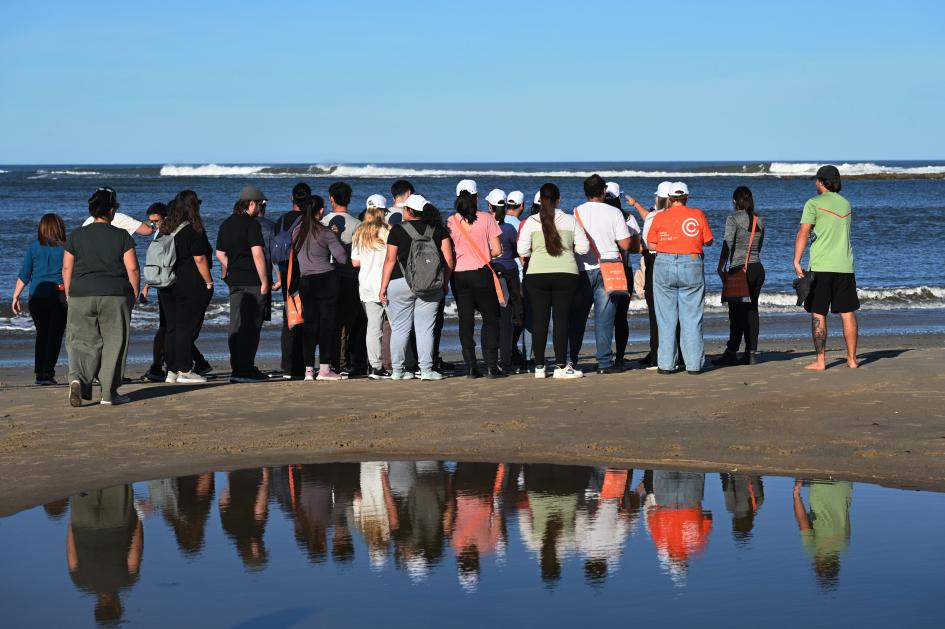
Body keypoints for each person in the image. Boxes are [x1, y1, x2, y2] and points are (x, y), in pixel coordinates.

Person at [63, 187, 139, 406]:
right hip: (114, 294)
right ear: (112, 210)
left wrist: (70, 293)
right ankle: (108, 393)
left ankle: (78, 378)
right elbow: (132, 268)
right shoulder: (122, 235)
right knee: (114, 342)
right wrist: (133, 293)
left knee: (80, 341)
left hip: (80, 294)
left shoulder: (77, 234)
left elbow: (67, 267)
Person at [517, 183, 590, 379]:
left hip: (536, 275)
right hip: (566, 274)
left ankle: (539, 367)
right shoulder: (570, 220)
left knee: (540, 320)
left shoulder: (531, 222)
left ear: (540, 200)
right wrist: (567, 247)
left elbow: (522, 251)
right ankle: (560, 366)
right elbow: (584, 248)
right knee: (561, 321)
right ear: (559, 200)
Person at [380, 194, 454, 381]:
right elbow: (449, 260)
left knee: (400, 328)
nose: (402, 211)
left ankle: (397, 370)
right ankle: (426, 370)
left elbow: (390, 260)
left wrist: (383, 287)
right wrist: (445, 283)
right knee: (425, 329)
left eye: (404, 209)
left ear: (410, 211)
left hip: (400, 282)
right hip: (431, 284)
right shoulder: (439, 229)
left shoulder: (397, 230)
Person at [793, 165, 859, 370]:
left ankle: (821, 361)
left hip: (821, 266)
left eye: (817, 180)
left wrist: (796, 260)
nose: (815, 183)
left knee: (818, 312)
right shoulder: (846, 204)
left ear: (821, 182)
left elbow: (803, 233)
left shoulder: (813, 203)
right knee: (847, 312)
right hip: (845, 266)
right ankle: (852, 360)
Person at [646, 182, 714, 374]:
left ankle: (666, 364)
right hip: (691, 262)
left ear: (669, 198)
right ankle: (693, 365)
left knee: (665, 318)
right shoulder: (697, 214)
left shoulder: (660, 217)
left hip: (664, 262)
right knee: (691, 317)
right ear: (686, 198)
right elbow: (708, 241)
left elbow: (651, 243)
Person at [568, 174, 632, 374]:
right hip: (610, 267)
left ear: (585, 192)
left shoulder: (576, 212)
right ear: (604, 190)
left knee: (578, 317)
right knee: (605, 318)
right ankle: (604, 362)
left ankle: (572, 360)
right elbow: (625, 244)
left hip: (582, 268)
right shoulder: (614, 212)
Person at [215, 185, 270, 383]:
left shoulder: (226, 223)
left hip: (234, 280)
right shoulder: (251, 224)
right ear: (252, 203)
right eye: (261, 204)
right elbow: (257, 253)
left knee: (236, 324)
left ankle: (238, 367)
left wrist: (233, 266)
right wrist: (265, 281)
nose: (262, 208)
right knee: (251, 326)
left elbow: (219, 254)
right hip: (252, 281)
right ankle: (245, 369)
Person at [160, 191, 215, 384]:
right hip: (190, 283)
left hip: (167, 283)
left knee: (172, 328)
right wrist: (209, 281)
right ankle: (185, 369)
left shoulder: (167, 228)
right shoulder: (193, 230)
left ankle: (172, 370)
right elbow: (200, 259)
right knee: (187, 327)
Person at [448, 185, 503, 378]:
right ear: (477, 197)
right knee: (490, 319)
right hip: (481, 273)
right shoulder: (487, 218)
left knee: (466, 321)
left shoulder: (451, 221)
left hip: (459, 275)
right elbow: (497, 250)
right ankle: (491, 365)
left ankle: (471, 366)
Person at [293, 195, 348, 381]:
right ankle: (324, 369)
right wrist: (336, 237)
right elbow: (341, 258)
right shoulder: (325, 232)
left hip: (305, 281)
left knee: (309, 325)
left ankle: (308, 369)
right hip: (326, 279)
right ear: (321, 211)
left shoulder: (297, 231)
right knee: (326, 325)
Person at [13, 213, 67, 385]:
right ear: (60, 228)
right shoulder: (67, 248)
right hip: (59, 296)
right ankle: (48, 373)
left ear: (42, 229)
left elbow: (24, 275)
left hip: (36, 296)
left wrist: (15, 295)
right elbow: (71, 272)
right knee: (55, 335)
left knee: (42, 334)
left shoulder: (34, 248)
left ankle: (40, 374)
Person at [714, 185, 766, 366]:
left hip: (739, 270)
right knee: (752, 311)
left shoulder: (733, 219)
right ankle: (751, 352)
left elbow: (727, 244)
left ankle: (731, 352)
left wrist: (721, 266)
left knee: (736, 314)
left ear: (735, 201)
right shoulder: (760, 220)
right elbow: (758, 248)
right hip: (757, 269)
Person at [629, 181, 676, 369]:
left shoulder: (654, 217)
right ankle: (675, 353)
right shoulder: (677, 216)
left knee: (655, 312)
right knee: (674, 310)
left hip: (655, 261)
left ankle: (657, 355)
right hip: (676, 260)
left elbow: (648, 242)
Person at [322, 181, 365, 376]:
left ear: (331, 199)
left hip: (327, 277)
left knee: (332, 322)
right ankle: (347, 360)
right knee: (350, 323)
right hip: (351, 277)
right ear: (349, 199)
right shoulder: (358, 224)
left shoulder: (322, 223)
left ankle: (332, 362)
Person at [351, 203, 392, 379]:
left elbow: (355, 262)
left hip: (367, 284)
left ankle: (375, 366)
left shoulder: (359, 233)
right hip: (386, 283)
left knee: (373, 328)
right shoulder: (388, 231)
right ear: (382, 212)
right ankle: (396, 364)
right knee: (396, 326)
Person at [274, 182, 311, 380]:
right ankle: (304, 365)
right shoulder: (308, 221)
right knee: (305, 319)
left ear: (291, 198)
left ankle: (288, 366)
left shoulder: (280, 220)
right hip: (304, 274)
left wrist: (279, 278)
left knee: (289, 317)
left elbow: (275, 252)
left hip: (285, 275)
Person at [604, 182, 641, 370]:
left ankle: (603, 356)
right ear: (619, 197)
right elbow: (636, 247)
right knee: (620, 317)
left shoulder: (597, 216)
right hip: (622, 270)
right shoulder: (627, 218)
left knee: (604, 316)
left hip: (601, 268)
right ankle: (619, 357)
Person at [491, 195, 526, 373]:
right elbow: (518, 251)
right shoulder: (511, 228)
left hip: (494, 273)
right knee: (513, 316)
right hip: (512, 273)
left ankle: (497, 357)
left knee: (497, 317)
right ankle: (509, 354)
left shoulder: (486, 226)